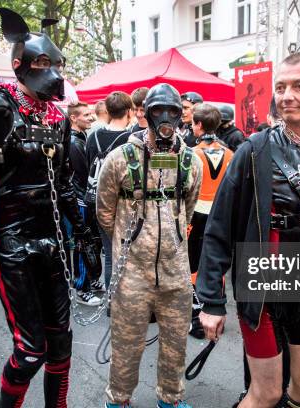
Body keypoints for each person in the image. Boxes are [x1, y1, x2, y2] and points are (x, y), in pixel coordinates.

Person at [0, 8, 96, 406]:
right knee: (31, 350)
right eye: (43, 62)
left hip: (51, 238)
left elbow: (64, 181)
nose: (52, 71)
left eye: (57, 63)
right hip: (12, 240)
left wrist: (83, 232)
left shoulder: (58, 117)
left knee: (61, 342)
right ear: (20, 65)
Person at [197, 52, 300, 408]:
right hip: (262, 285)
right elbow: (218, 226)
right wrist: (211, 300)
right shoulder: (254, 151)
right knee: (265, 393)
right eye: (281, 87)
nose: (287, 95)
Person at [97, 83, 202, 408]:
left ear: (182, 114)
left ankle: (170, 398)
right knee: (126, 347)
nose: (166, 118)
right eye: (158, 110)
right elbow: (105, 213)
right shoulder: (118, 159)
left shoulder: (190, 162)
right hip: (132, 277)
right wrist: (134, 244)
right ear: (144, 113)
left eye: (173, 110)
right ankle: (119, 400)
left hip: (175, 276)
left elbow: (187, 208)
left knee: (175, 345)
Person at [187, 103, 232, 339]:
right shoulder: (230, 153)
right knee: (217, 264)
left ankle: (196, 319)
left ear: (199, 124)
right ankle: (215, 313)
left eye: (193, 122)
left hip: (196, 216)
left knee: (194, 265)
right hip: (221, 217)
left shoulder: (191, 154)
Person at [86, 91, 133, 289]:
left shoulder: (93, 136)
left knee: (108, 254)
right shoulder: (130, 139)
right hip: (121, 204)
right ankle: (121, 300)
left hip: (96, 200)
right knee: (126, 256)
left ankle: (111, 301)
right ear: (129, 111)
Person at [67, 101, 102, 306]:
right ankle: (81, 288)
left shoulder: (81, 138)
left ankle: (90, 280)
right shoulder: (74, 142)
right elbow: (83, 175)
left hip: (85, 198)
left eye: (91, 114)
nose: (91, 117)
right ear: (74, 118)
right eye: (86, 115)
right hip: (80, 200)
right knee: (83, 243)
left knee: (91, 243)